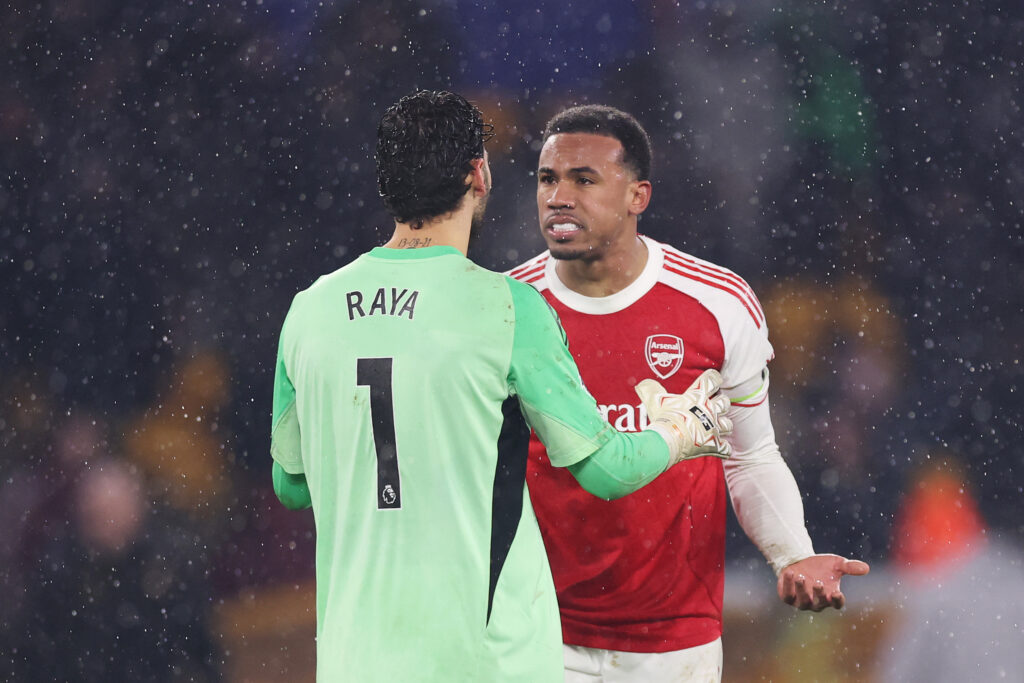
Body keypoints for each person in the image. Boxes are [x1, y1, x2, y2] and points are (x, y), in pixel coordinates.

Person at [268, 91, 734, 683]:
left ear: (386, 183)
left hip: (355, 661)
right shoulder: (507, 308)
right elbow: (607, 470)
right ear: (479, 174)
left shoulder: (310, 311)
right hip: (487, 661)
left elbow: (290, 484)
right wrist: (684, 428)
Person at [508, 104, 870, 682]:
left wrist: (793, 553)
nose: (558, 198)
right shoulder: (509, 308)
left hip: (674, 643)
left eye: (584, 180)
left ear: (638, 196)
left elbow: (751, 455)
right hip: (537, 635)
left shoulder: (718, 302)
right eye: (547, 179)